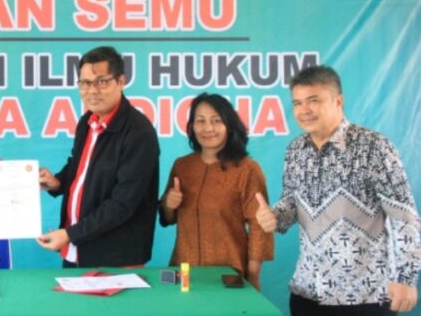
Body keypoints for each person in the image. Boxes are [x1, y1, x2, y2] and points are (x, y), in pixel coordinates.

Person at [255, 65, 421, 315]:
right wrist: (275, 216)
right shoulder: (295, 151)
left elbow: (403, 216)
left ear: (338, 101)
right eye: (298, 103)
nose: (304, 110)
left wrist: (406, 278)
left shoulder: (373, 147)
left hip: (366, 295)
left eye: (313, 100)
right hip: (307, 291)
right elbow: (291, 201)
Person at [37, 46, 160, 267]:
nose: (92, 90)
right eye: (85, 83)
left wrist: (70, 234)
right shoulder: (87, 122)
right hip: (76, 251)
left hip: (116, 258)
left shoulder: (138, 133)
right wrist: (57, 182)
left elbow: (123, 203)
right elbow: (80, 167)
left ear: (121, 81)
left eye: (101, 82)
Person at [158, 93, 273, 290]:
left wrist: (253, 275)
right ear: (192, 127)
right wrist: (168, 204)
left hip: (229, 274)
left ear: (229, 125)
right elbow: (168, 218)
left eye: (216, 121)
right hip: (184, 272)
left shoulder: (247, 169)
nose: (208, 128)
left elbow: (259, 227)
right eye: (200, 121)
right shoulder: (182, 166)